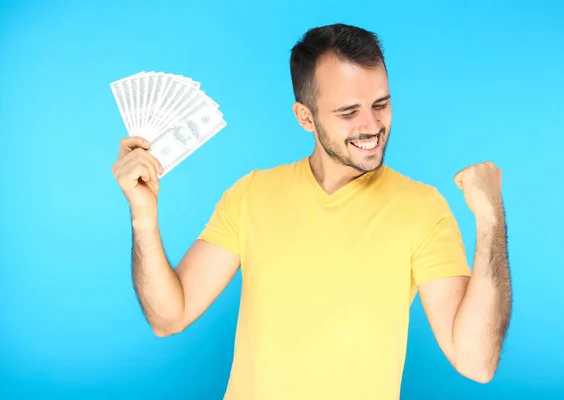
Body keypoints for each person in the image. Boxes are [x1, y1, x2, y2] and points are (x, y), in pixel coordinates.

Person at [111, 23, 512, 400]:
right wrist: (143, 215)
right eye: (348, 112)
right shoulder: (251, 195)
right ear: (306, 117)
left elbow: (475, 362)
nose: (371, 125)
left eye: (381, 104)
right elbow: (169, 317)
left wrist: (491, 217)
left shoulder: (422, 209)